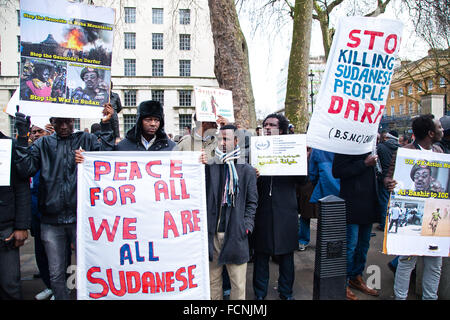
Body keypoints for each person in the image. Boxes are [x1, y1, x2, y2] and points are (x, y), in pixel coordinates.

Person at [14, 104, 115, 300]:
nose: (64, 126)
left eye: (68, 121)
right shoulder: (42, 145)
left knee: (92, 267)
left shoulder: (85, 139)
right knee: (56, 273)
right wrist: (21, 136)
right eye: (59, 122)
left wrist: (106, 125)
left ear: (73, 121)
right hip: (51, 220)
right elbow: (24, 169)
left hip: (81, 218)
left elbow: (107, 158)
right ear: (51, 123)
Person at [384, 114, 444, 300]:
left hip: (434, 217)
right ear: (430, 133)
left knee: (434, 263)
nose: (442, 130)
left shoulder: (439, 152)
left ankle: (430, 297)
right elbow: (388, 176)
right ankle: (400, 297)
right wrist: (389, 183)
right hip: (412, 215)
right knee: (407, 261)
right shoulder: (404, 152)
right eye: (439, 127)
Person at [252, 113, 304, 300]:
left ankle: (286, 292)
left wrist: (300, 162)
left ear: (281, 129)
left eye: (272, 125)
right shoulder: (255, 149)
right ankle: (259, 295)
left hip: (286, 209)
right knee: (261, 254)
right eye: (265, 124)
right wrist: (253, 176)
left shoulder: (292, 148)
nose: (267, 127)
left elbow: (303, 181)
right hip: (262, 209)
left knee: (287, 255)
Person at [205, 124, 257, 300]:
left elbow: (252, 202)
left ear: (236, 141)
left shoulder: (247, 170)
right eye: (219, 138)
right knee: (212, 283)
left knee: (238, 285)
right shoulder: (209, 166)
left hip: (236, 234)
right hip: (212, 234)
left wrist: (246, 226)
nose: (221, 142)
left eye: (226, 139)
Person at [333, 151, 380, 300]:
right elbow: (337, 171)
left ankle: (356, 277)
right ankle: (343, 282)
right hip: (352, 204)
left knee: (363, 245)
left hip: (368, 203)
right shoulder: (346, 146)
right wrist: (364, 164)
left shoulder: (371, 144)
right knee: (350, 246)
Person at [0, 131, 30, 300]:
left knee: (9, 284)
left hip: (6, 228)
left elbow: (21, 187)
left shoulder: (9, 146)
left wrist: (21, 225)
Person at [298, 148, 340, 251]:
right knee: (327, 217)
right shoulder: (340, 148)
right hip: (337, 189)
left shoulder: (317, 150)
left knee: (306, 215)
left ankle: (303, 241)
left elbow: (313, 173)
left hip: (315, 186)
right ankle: (325, 242)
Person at [376, 131, 400, 231]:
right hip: (394, 178)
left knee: (384, 200)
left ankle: (383, 224)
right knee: (391, 200)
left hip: (384, 177)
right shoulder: (400, 148)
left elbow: (377, 162)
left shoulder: (381, 147)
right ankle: (386, 223)